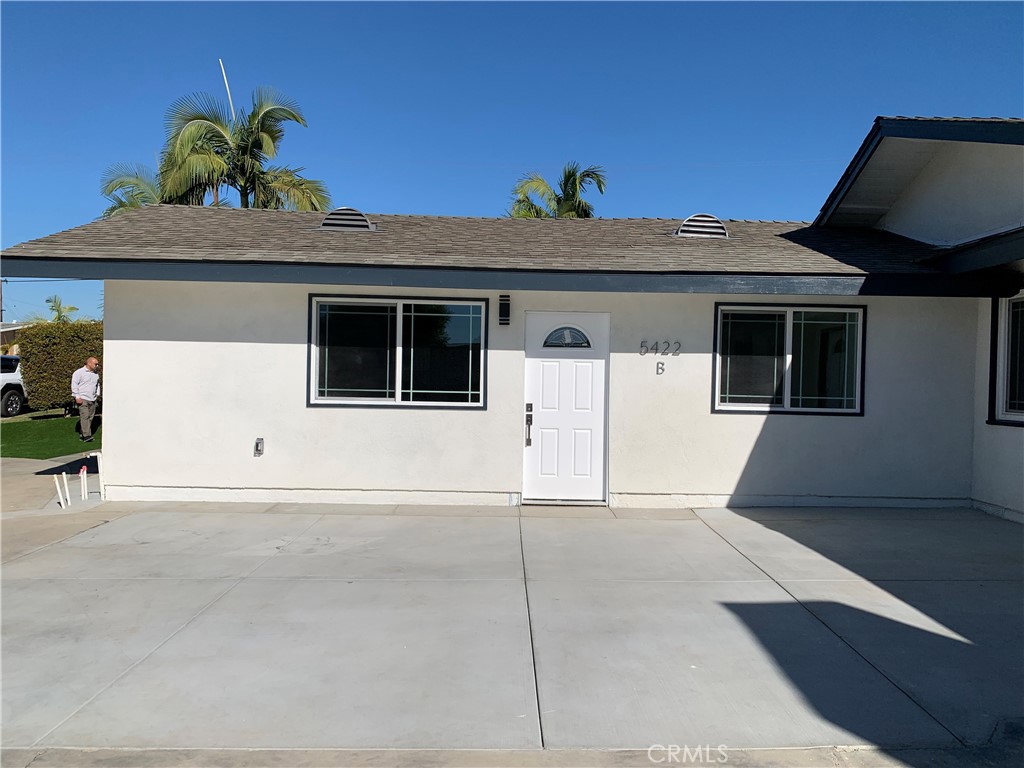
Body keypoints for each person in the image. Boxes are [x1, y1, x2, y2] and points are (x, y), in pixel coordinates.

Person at [71, 356, 101, 442]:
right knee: (85, 416)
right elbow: (74, 385)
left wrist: (97, 394)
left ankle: (83, 432)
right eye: (96, 364)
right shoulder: (79, 372)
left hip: (92, 398)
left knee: (90, 417)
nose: (97, 366)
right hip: (82, 398)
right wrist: (77, 396)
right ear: (89, 363)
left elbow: (97, 385)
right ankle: (87, 436)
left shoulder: (95, 374)